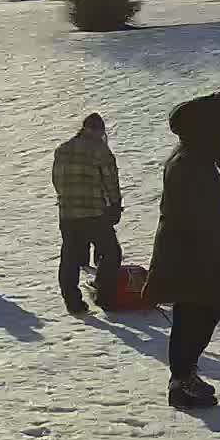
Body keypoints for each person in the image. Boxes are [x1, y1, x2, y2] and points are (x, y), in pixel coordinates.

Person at [144, 91, 220, 410]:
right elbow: (192, 217)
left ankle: (185, 376)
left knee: (200, 312)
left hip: (198, 255)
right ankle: (181, 379)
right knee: (196, 314)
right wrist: (209, 258)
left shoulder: (195, 158)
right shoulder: (189, 162)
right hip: (192, 256)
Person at [53, 112, 123, 316]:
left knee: (70, 257)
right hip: (93, 214)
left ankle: (73, 302)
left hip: (67, 214)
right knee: (111, 252)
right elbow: (111, 181)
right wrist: (115, 205)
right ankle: (105, 296)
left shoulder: (62, 149)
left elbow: (57, 180)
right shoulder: (100, 151)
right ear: (100, 131)